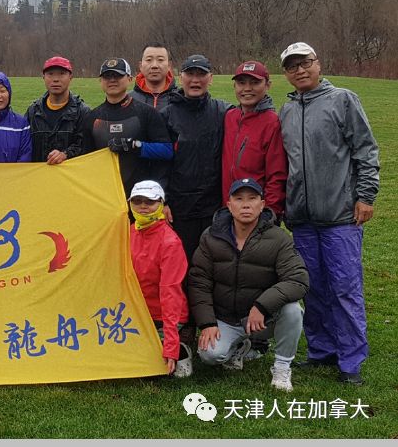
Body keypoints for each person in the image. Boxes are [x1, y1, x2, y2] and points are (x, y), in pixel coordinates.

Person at [279, 42, 380, 385]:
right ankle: (322, 350)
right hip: (302, 218)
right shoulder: (287, 111)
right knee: (313, 287)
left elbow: (365, 150)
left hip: (340, 216)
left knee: (344, 288)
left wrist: (365, 196)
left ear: (318, 64)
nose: (300, 70)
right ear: (286, 73)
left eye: (305, 63)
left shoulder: (343, 100)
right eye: (292, 66)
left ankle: (350, 359)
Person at [189, 179, 308, 391]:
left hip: (262, 319)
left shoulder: (278, 238)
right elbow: (199, 281)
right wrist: (207, 323)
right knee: (209, 355)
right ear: (229, 205)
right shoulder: (211, 236)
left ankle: (282, 367)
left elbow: (298, 279)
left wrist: (262, 306)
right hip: (225, 317)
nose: (246, 205)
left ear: (262, 205)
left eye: (252, 199)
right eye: (239, 199)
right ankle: (239, 346)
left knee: (293, 311)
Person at [159, 54, 232, 263]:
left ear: (211, 78)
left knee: (214, 264)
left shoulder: (224, 112)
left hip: (214, 207)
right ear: (180, 77)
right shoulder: (166, 115)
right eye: (190, 74)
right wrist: (163, 200)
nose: (195, 80)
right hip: (180, 208)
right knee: (183, 263)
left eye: (201, 74)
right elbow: (160, 163)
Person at [80, 58, 172, 199]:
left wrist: (135, 145)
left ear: (129, 79)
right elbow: (85, 160)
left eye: (118, 75)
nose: (112, 80)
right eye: (107, 76)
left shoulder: (147, 113)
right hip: (105, 197)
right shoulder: (92, 117)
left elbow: (167, 151)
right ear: (100, 81)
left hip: (141, 199)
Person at [127, 180, 191, 378]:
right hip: (136, 311)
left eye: (150, 201)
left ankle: (180, 348)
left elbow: (170, 293)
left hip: (164, 315)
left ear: (161, 204)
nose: (143, 206)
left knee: (153, 371)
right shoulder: (128, 232)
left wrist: (170, 345)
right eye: (137, 201)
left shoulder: (170, 242)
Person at [222, 61, 287, 221]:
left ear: (267, 85)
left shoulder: (272, 122)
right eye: (241, 83)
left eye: (255, 83)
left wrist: (270, 212)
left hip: (256, 212)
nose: (247, 88)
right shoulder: (230, 117)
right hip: (229, 207)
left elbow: (277, 174)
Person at [24, 56, 90, 164]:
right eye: (50, 74)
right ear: (43, 77)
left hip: (68, 174)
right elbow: (23, 146)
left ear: (70, 77)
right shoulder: (33, 112)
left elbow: (86, 146)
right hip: (39, 174)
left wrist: (66, 154)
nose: (55, 79)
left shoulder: (82, 112)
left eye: (61, 74)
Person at [130, 42, 177, 111]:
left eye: (160, 60)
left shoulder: (180, 100)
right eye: (149, 60)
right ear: (140, 66)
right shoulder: (127, 101)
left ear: (169, 65)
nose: (154, 65)